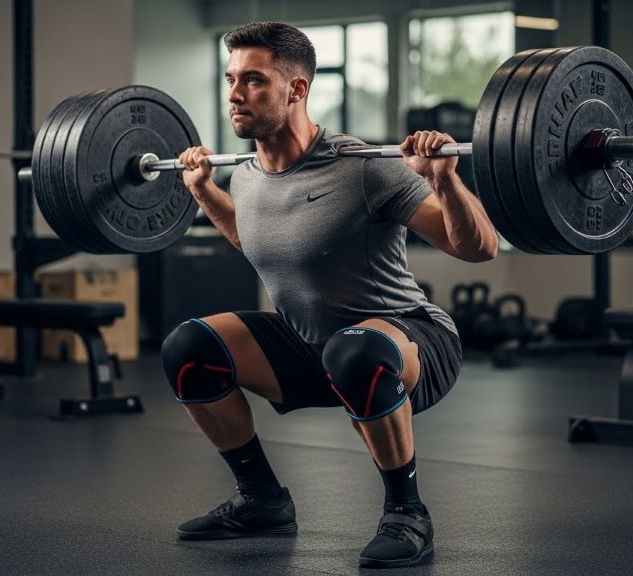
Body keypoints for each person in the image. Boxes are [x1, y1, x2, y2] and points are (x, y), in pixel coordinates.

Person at [162, 21, 498, 569]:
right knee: (189, 349)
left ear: (296, 90)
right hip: (315, 345)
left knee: (354, 350)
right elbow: (257, 240)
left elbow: (478, 249)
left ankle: (407, 513)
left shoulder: (363, 167)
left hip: (410, 339)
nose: (233, 94)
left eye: (253, 80)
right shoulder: (245, 177)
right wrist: (204, 192)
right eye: (230, 80)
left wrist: (445, 180)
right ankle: (262, 500)